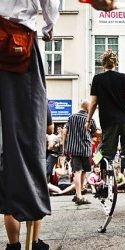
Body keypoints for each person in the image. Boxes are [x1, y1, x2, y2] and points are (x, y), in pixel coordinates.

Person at [0, 1, 59, 249]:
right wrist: (48, 26)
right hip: (17, 38)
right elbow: (51, 3)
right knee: (27, 140)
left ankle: (18, 243)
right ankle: (33, 242)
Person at [86, 49, 125, 162]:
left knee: (106, 152)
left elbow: (94, 103)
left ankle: (96, 164)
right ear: (116, 63)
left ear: (103, 64)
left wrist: (88, 120)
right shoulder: (122, 77)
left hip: (109, 121)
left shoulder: (97, 79)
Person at [62, 101, 97, 205]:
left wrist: (64, 147)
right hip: (85, 148)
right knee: (84, 171)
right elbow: (94, 131)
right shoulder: (89, 118)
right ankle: (79, 195)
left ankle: (78, 194)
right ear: (88, 108)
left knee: (77, 172)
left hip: (73, 148)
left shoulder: (71, 117)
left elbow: (65, 131)